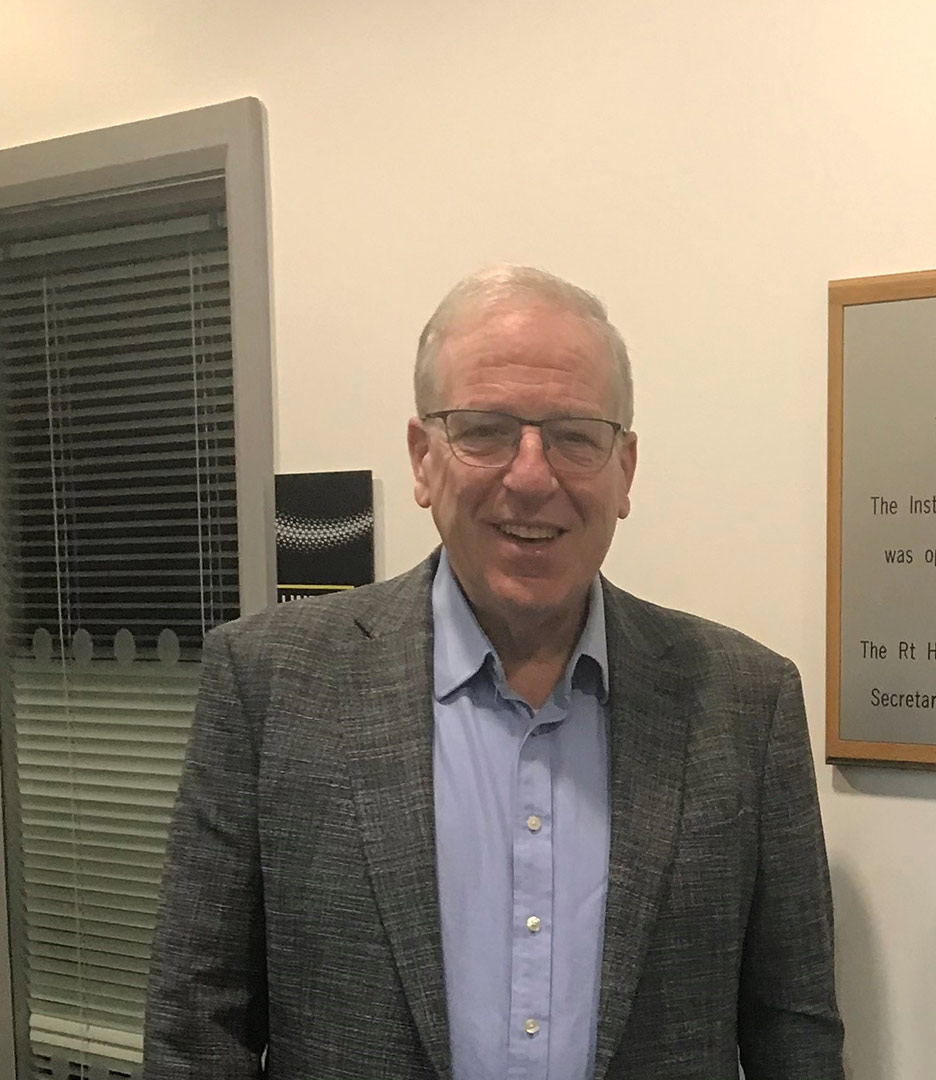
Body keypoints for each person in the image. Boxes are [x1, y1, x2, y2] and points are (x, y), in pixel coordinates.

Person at [145, 265, 844, 1080]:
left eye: (576, 436)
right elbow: (198, 1023)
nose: (531, 475)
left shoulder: (745, 703)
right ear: (422, 458)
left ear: (625, 470)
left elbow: (794, 1033)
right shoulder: (268, 684)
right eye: (485, 430)